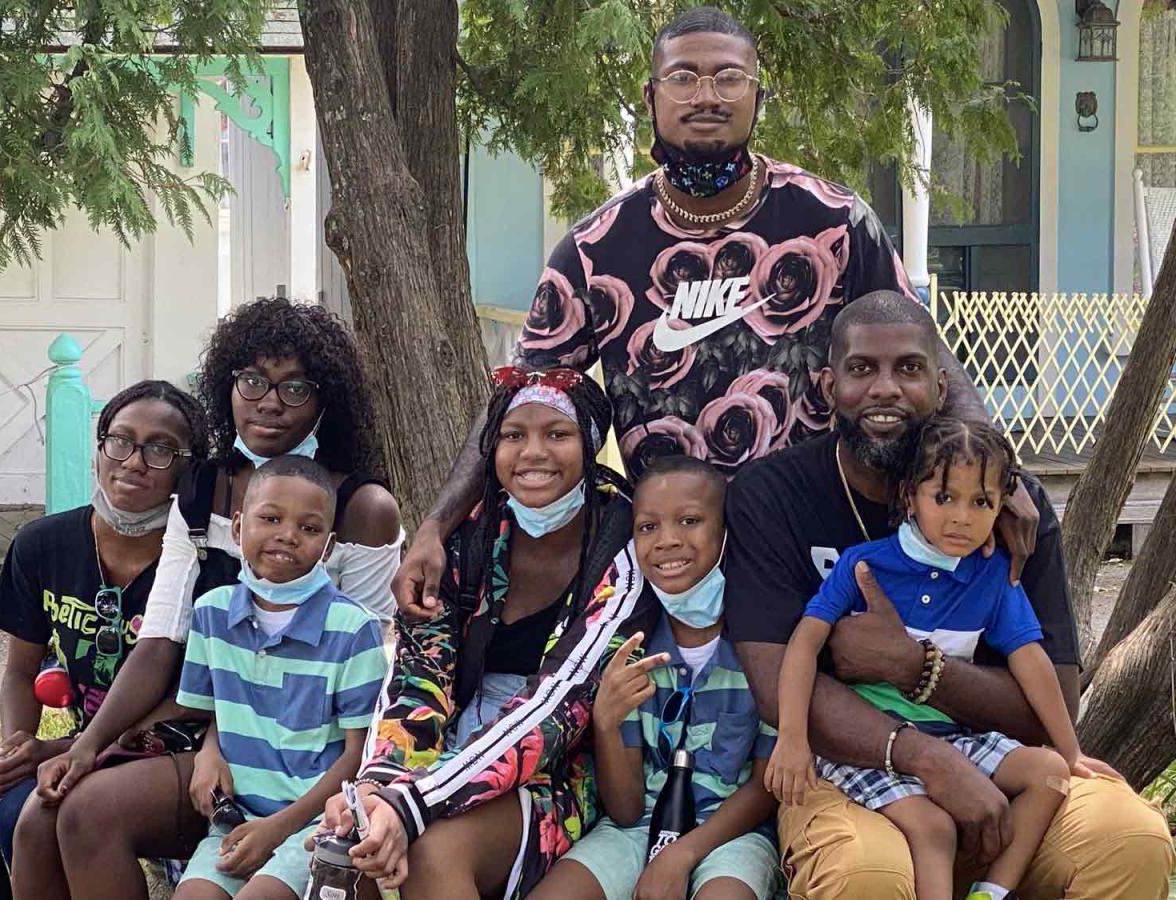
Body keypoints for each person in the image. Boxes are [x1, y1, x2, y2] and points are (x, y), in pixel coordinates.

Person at [392, 6, 1042, 623]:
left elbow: (926, 353)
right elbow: (519, 396)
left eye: (729, 77)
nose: (706, 96)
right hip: (677, 562)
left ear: (760, 96)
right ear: (650, 98)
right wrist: (436, 525)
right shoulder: (596, 250)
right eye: (683, 77)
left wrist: (996, 466)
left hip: (819, 550)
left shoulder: (834, 222)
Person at [723, 290, 1175, 898]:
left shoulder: (1007, 510)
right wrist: (928, 760)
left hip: (994, 757)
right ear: (830, 388)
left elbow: (1053, 699)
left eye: (909, 369)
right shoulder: (772, 496)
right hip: (850, 771)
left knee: (1130, 838)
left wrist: (914, 667)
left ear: (940, 388)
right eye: (862, 369)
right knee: (866, 874)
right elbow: (777, 680)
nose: (886, 388)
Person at [10, 297, 401, 899]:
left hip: (309, 754)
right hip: (205, 727)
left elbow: (364, 679)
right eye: (252, 381)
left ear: (327, 400)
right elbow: (158, 641)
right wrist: (87, 746)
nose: (269, 402)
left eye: (295, 387)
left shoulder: (362, 508)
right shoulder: (201, 491)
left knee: (88, 810)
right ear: (227, 386)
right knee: (51, 813)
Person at [317, 367, 652, 900]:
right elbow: (417, 678)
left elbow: (557, 707)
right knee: (355, 847)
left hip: (557, 767)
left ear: (590, 447)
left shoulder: (622, 549)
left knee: (431, 853)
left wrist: (414, 803)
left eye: (557, 434)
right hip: (444, 752)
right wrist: (379, 787)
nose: (533, 453)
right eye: (513, 435)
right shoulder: (469, 537)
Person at [767, 417, 1088, 900]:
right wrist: (792, 737)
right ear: (908, 497)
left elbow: (1031, 660)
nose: (962, 517)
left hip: (953, 738)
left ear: (1002, 507)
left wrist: (1071, 751)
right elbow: (803, 645)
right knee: (934, 827)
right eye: (944, 497)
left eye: (981, 502)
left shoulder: (993, 576)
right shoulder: (865, 564)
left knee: (1049, 774)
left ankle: (990, 893)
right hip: (870, 748)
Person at [0, 380, 209, 900]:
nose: (134, 462)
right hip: (79, 744)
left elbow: (191, 703)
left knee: (23, 812)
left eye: (160, 449)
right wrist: (14, 749)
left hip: (164, 749)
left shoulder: (201, 563)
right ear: (99, 448)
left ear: (188, 467)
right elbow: (20, 671)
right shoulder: (42, 544)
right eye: (120, 440)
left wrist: (58, 750)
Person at [535, 456, 780, 900]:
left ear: (727, 531)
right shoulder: (632, 646)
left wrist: (681, 855)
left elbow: (765, 788)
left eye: (690, 521)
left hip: (731, 834)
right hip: (637, 828)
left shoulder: (762, 647)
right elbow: (626, 810)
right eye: (648, 527)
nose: (667, 540)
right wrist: (606, 723)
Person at [173, 455, 389, 899]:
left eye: (308, 528)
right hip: (237, 818)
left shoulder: (354, 630)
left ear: (328, 547)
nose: (288, 535)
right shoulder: (211, 613)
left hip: (321, 823)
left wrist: (278, 828)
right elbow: (220, 713)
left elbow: (358, 755)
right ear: (238, 527)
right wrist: (208, 754)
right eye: (270, 519)